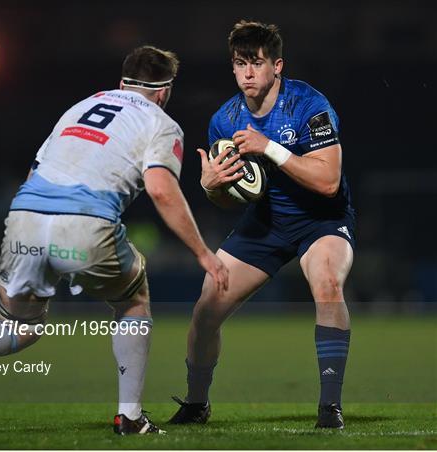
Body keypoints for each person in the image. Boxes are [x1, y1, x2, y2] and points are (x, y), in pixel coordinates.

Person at [0, 45, 229, 435]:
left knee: (17, 325)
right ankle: (129, 416)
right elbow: (160, 189)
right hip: (83, 224)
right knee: (132, 301)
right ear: (163, 92)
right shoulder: (161, 122)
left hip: (24, 217)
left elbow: (34, 170)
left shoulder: (80, 107)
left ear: (121, 82)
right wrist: (203, 253)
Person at [169, 21, 355, 429]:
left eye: (257, 63)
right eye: (240, 64)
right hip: (267, 222)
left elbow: (328, 182)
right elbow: (231, 197)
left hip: (320, 220)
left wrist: (268, 146)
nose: (248, 73)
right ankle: (197, 403)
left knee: (327, 284)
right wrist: (210, 187)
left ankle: (329, 408)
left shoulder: (309, 105)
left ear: (278, 67)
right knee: (205, 310)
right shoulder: (225, 120)